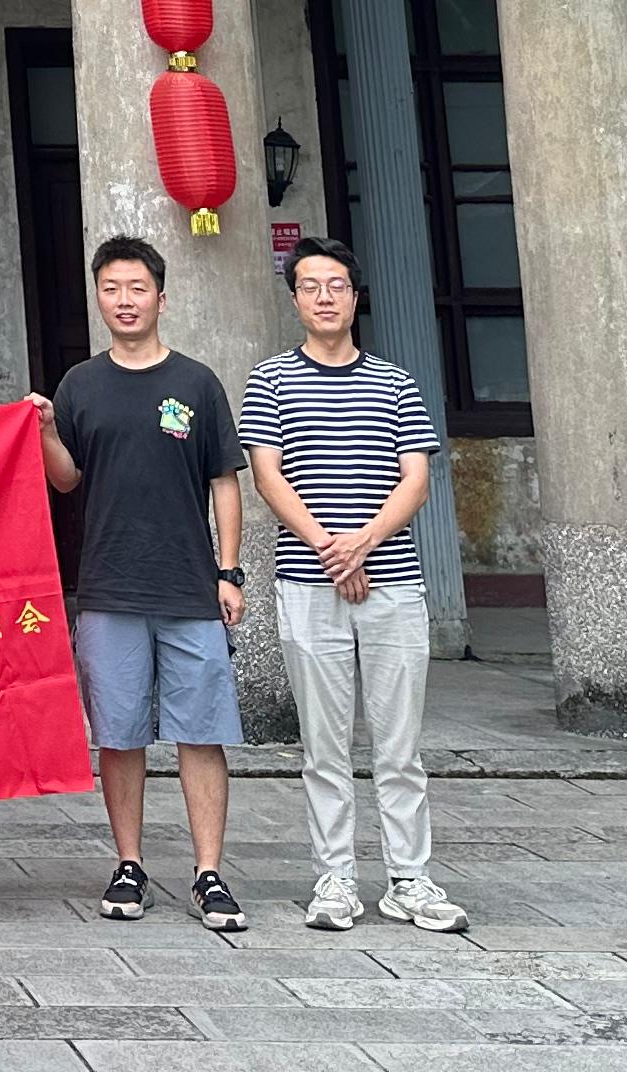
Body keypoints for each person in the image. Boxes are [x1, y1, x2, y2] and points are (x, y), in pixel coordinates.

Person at [242, 234, 467, 935]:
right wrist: (328, 549)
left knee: (400, 746)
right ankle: (335, 876)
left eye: (336, 284)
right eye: (311, 286)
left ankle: (410, 878)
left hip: (394, 584)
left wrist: (363, 543)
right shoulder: (270, 380)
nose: (325, 297)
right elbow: (268, 474)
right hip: (308, 586)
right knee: (325, 745)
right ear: (295, 299)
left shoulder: (395, 382)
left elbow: (417, 479)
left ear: (355, 294)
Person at [40, 231, 250, 934]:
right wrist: (41, 430)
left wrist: (229, 570)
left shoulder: (195, 382)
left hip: (190, 587)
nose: (124, 301)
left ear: (162, 297)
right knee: (120, 735)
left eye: (137, 288)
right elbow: (67, 479)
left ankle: (208, 870)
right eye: (112, 289)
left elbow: (225, 481)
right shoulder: (80, 385)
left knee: (201, 732)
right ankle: (128, 862)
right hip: (108, 586)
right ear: (99, 298)